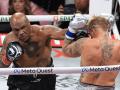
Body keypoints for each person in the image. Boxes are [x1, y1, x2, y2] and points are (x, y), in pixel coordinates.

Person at [0, 12, 66, 90]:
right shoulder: (9, 40)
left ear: (29, 23)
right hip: (20, 79)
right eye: (16, 30)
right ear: (12, 29)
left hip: (45, 78)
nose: (21, 32)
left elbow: (64, 34)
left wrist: (75, 27)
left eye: (23, 27)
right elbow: (2, 66)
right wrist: (8, 58)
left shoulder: (43, 32)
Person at [63, 14, 120, 90]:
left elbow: (65, 50)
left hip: (84, 86)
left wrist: (71, 29)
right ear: (107, 29)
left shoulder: (83, 43)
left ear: (92, 30)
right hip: (107, 87)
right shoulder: (118, 45)